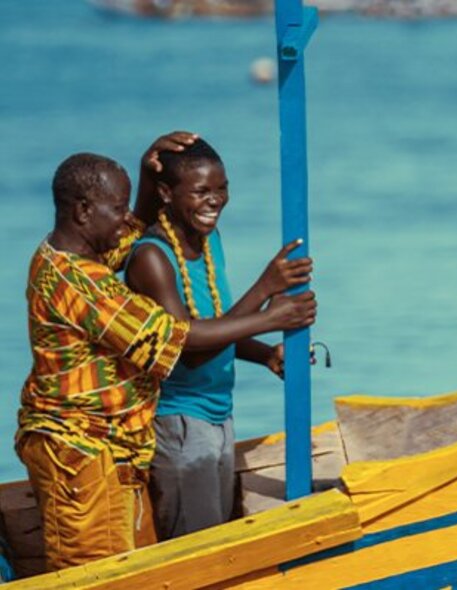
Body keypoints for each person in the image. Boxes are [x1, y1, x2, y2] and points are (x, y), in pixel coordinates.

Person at [16, 133, 315, 571]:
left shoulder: (76, 252)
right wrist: (271, 311)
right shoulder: (80, 283)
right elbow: (175, 339)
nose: (126, 220)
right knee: (97, 573)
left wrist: (144, 175)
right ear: (82, 211)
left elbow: (127, 235)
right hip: (79, 451)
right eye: (117, 209)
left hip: (115, 449)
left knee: (146, 570)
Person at [125, 136, 314, 541]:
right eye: (200, 191)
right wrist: (265, 296)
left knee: (220, 536)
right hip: (178, 424)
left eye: (221, 188)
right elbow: (186, 347)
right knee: (199, 546)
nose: (215, 201)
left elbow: (220, 325)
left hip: (219, 414)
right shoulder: (151, 258)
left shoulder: (209, 242)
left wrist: (265, 355)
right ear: (165, 193)